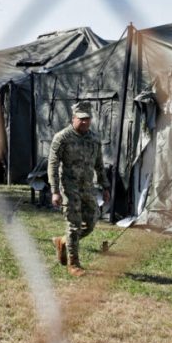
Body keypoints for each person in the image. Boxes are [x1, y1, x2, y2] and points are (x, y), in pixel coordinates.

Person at [47, 101, 111, 276]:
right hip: (69, 188)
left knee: (90, 222)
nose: (85, 122)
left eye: (88, 119)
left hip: (87, 187)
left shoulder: (94, 139)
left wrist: (105, 186)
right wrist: (55, 191)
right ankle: (73, 264)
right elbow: (52, 165)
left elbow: (99, 165)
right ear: (73, 118)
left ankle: (62, 241)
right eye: (81, 119)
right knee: (73, 225)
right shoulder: (62, 138)